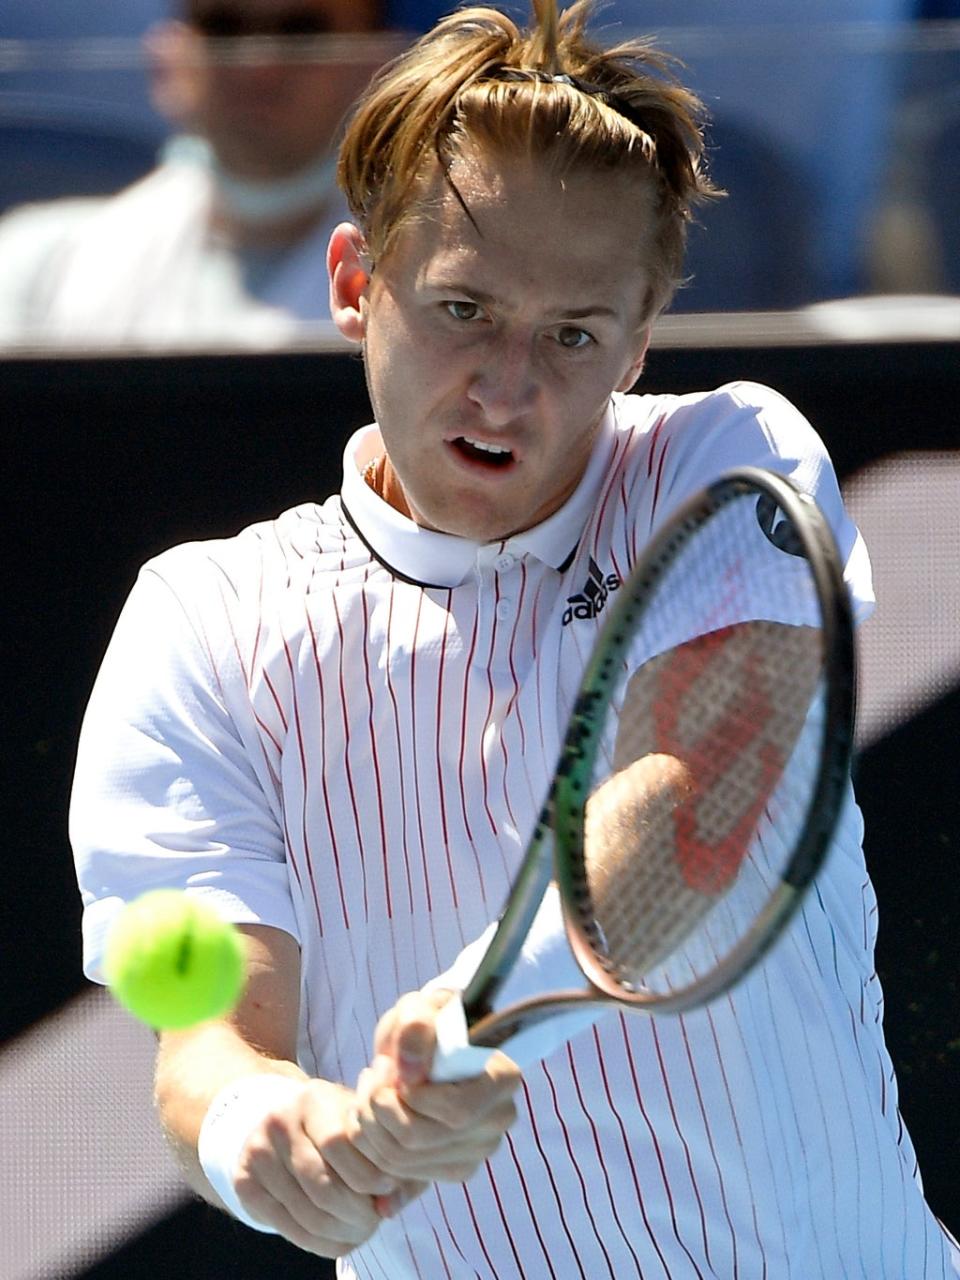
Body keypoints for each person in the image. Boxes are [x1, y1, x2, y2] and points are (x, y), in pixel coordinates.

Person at [70, 2, 960, 1276]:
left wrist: (465, 1020)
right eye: (464, 310)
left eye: (574, 335)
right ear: (352, 284)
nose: (508, 386)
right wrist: (272, 1133)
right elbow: (209, 1046)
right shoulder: (200, 620)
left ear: (639, 343)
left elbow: (683, 825)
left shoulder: (728, 464)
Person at [0, 0, 400, 348]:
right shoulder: (38, 265)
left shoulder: (428, 273)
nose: (257, 64)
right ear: (167, 59)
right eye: (223, 27)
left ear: (378, 66)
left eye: (302, 30)